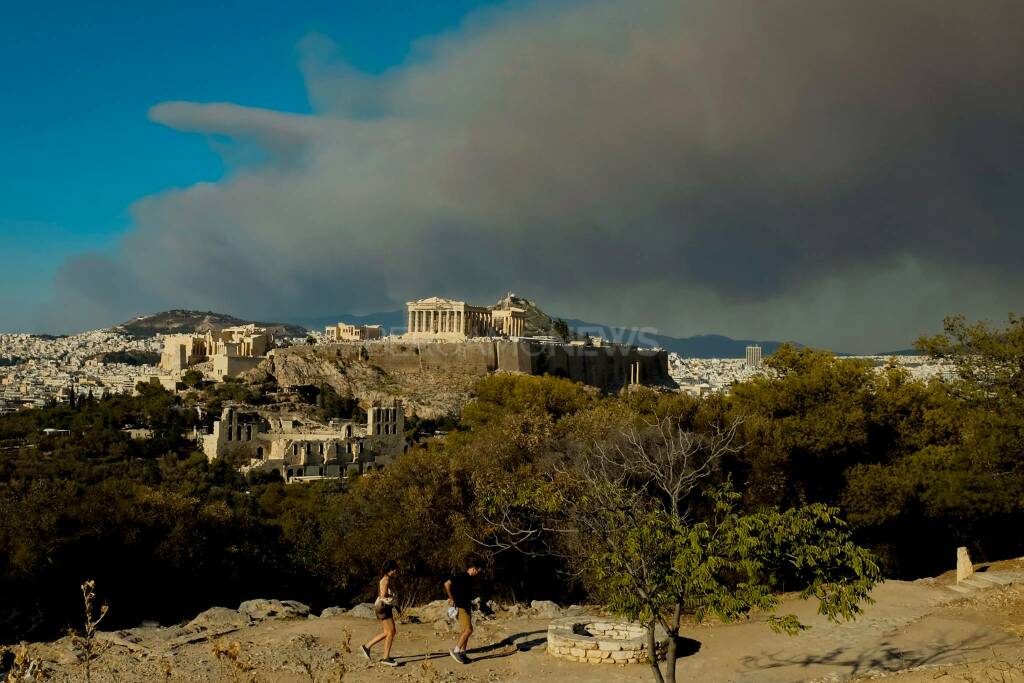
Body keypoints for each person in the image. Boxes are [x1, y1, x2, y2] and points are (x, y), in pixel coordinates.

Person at [444, 555, 483, 665]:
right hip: (461, 607)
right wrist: (451, 598)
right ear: (473, 568)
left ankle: (462, 653)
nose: (478, 574)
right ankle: (456, 651)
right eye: (477, 571)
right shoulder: (462, 576)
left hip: (466, 606)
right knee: (469, 630)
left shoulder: (470, 579)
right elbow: (447, 584)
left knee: (465, 629)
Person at [360, 560, 400, 666]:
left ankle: (367, 647)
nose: (395, 571)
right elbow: (383, 595)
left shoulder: (387, 579)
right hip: (384, 607)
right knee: (391, 631)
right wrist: (392, 596)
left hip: (385, 607)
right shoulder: (386, 580)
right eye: (394, 569)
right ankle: (386, 658)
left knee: (388, 632)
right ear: (389, 569)